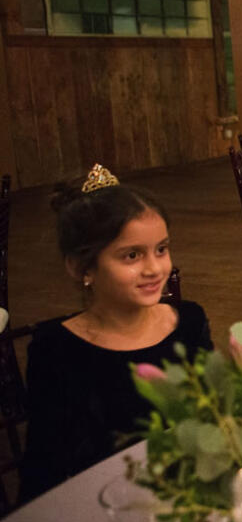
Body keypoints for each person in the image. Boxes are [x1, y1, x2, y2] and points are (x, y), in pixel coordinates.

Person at [20, 166, 213, 501]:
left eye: (161, 249)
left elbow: (216, 420)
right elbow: (44, 472)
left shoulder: (189, 323)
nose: (154, 268)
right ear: (82, 268)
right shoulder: (56, 350)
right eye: (132, 255)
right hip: (112, 509)